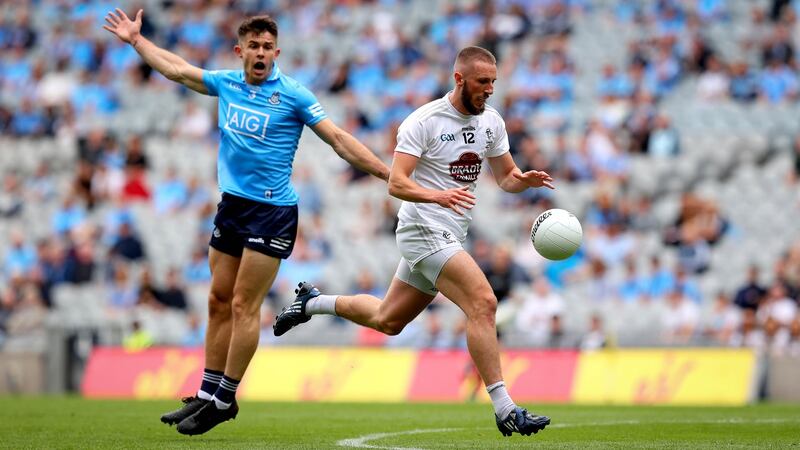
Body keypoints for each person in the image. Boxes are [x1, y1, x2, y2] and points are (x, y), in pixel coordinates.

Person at [103, 9, 389, 436]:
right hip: (232, 207)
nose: (260, 53)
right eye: (252, 46)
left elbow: (339, 139)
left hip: (272, 213)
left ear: (277, 51)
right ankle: (206, 391)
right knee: (217, 300)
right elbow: (177, 70)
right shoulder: (227, 84)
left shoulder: (293, 95)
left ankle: (225, 399)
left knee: (242, 304)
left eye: (267, 47)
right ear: (241, 51)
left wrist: (387, 173)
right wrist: (136, 41)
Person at [274, 46, 553, 437]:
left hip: (450, 231)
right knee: (484, 303)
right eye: (482, 81)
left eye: (493, 82)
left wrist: (521, 181)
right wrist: (436, 195)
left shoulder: (493, 122)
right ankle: (505, 407)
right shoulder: (423, 121)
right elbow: (397, 182)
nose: (490, 89)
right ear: (459, 79)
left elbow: (505, 177)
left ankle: (312, 302)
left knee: (387, 320)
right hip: (421, 227)